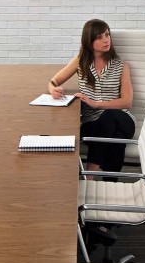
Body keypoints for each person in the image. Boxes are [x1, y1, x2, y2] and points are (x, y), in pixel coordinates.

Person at [48, 19, 135, 175]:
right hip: (91, 123)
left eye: (107, 35)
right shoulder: (80, 61)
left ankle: (90, 175)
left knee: (110, 117)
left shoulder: (122, 66)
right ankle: (111, 185)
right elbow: (53, 81)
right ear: (89, 40)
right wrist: (54, 90)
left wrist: (96, 104)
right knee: (117, 139)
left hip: (122, 119)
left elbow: (127, 102)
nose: (106, 40)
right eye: (99, 37)